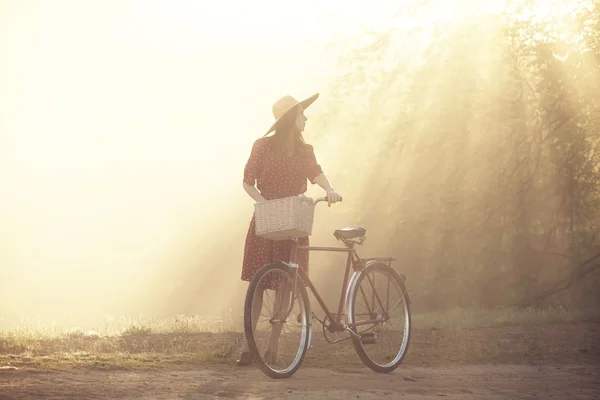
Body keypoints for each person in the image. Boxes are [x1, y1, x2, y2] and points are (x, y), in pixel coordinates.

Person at [236, 93, 342, 366]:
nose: (306, 117)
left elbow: (316, 173)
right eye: (301, 113)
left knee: (286, 284)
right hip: (268, 221)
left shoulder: (305, 151)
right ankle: (249, 345)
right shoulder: (262, 146)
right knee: (257, 285)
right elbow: (247, 182)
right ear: (289, 120)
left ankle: (272, 346)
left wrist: (329, 189)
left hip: (294, 220)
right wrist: (265, 205)